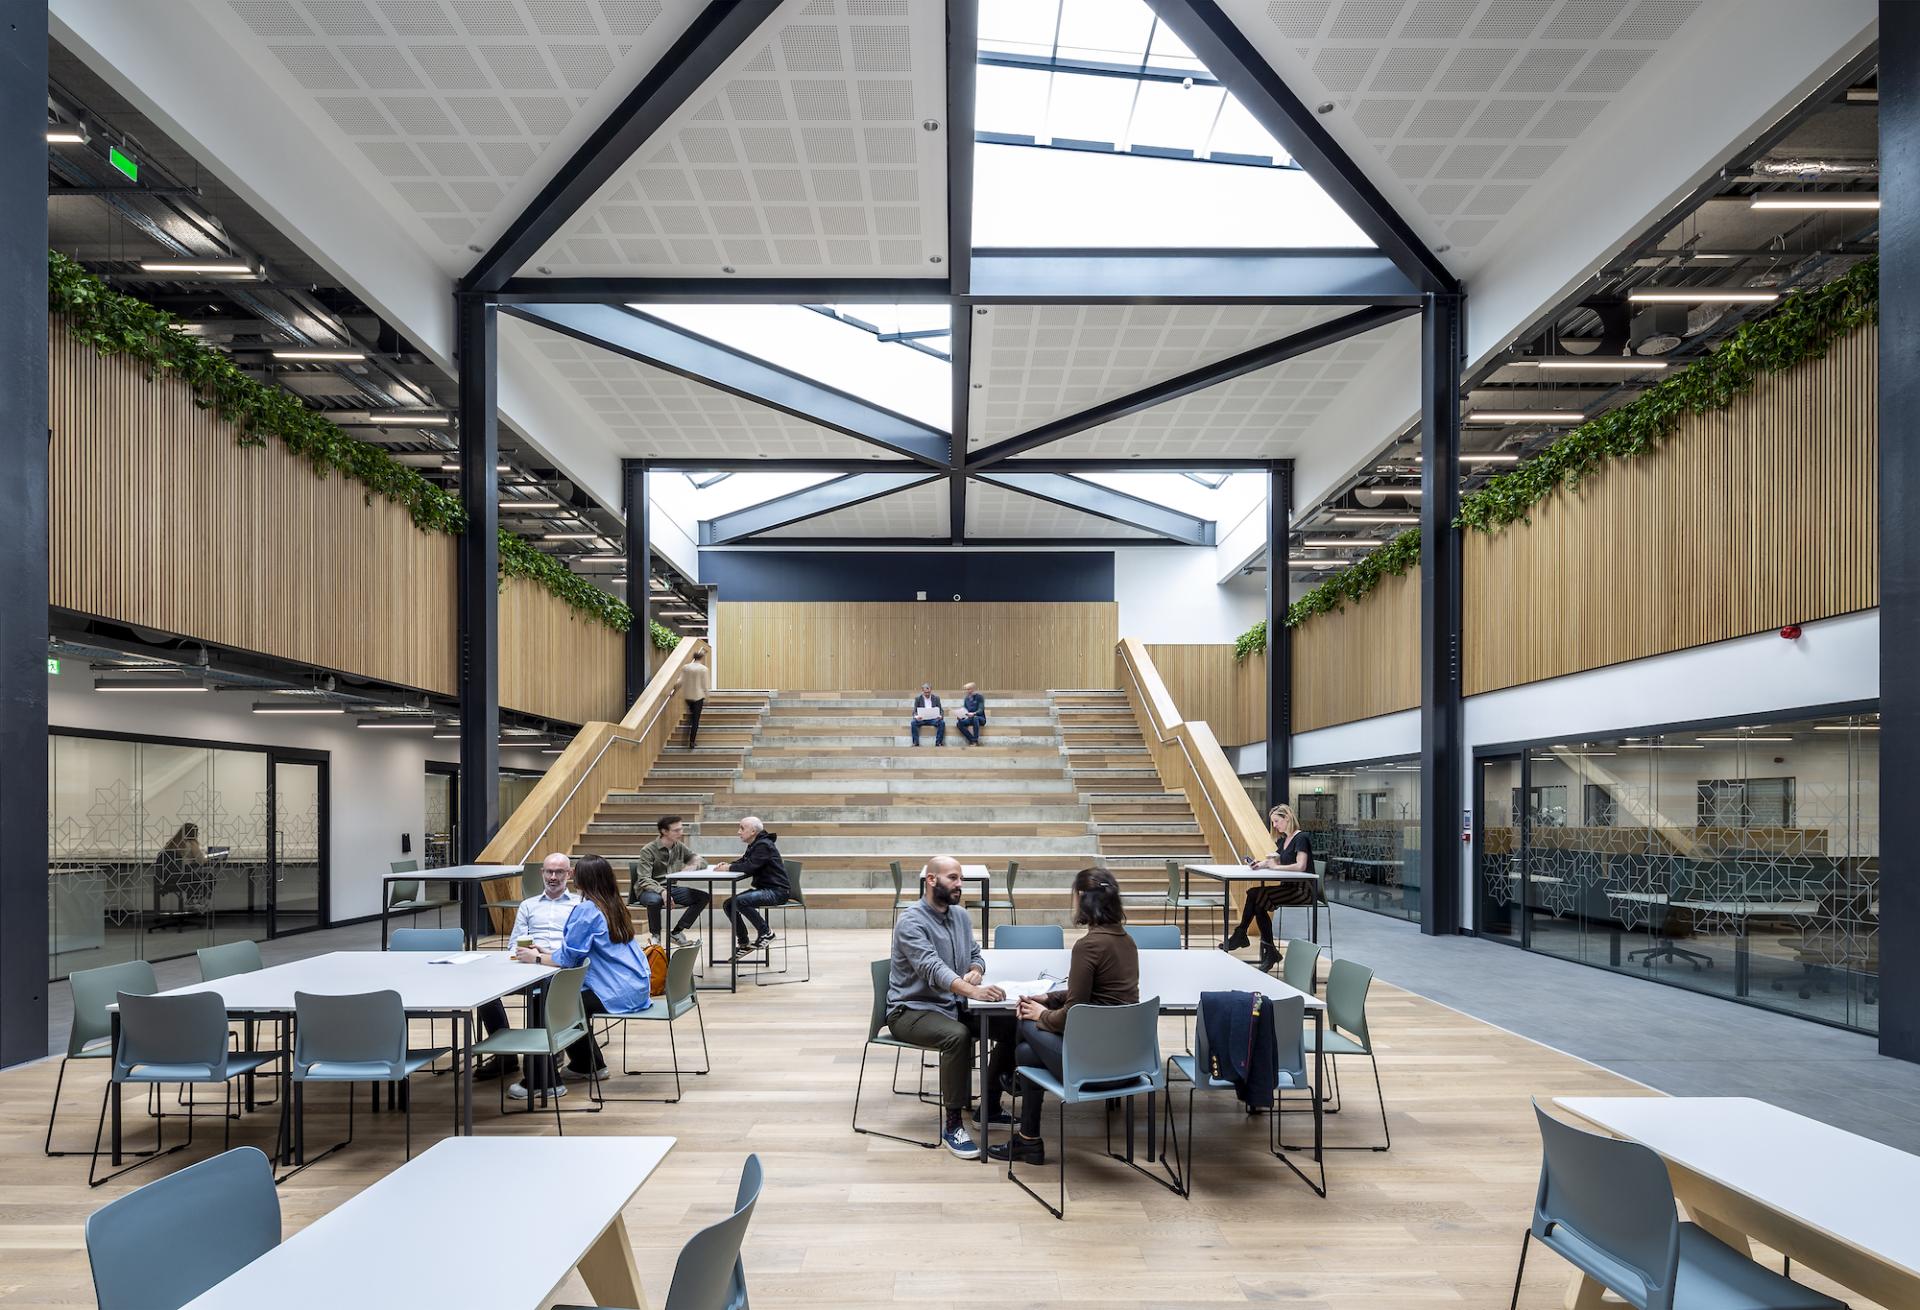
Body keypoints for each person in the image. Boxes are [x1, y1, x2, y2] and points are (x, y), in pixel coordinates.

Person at [988, 868, 1140, 1164]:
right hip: (1126, 1062)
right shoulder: (1125, 941)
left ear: (1083, 899)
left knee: (1023, 1019)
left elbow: (1072, 1015)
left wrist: (1040, 1013)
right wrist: (1047, 998)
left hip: (1092, 1066)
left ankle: (1007, 1080)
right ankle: (1028, 1140)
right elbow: (1086, 994)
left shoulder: (1088, 946)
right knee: (1026, 1052)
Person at [886, 856, 1008, 1159]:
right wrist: (973, 990)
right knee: (957, 1036)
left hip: (951, 1004)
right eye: (953, 878)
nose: (959, 885)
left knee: (1013, 1025)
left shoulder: (960, 916)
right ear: (931, 880)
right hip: (910, 1010)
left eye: (961, 879)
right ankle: (953, 1124)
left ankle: (989, 1105)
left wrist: (976, 969)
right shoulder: (911, 921)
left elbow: (976, 953)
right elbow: (933, 969)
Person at [513, 854, 650, 1090]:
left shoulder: (586, 909)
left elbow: (568, 959)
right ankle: (587, 1065)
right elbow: (578, 952)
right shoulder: (613, 904)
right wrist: (546, 953)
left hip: (613, 991)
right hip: (634, 986)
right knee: (572, 1003)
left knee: (549, 1003)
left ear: (581, 879)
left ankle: (541, 1083)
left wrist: (535, 957)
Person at [472, 852, 579, 1094]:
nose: (553, 877)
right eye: (548, 872)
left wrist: (548, 957)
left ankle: (545, 1054)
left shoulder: (579, 905)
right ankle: (505, 1056)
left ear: (569, 874)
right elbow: (513, 944)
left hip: (560, 969)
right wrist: (524, 951)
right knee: (484, 991)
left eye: (559, 872)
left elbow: (576, 948)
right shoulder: (528, 905)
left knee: (545, 991)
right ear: (541, 873)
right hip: (528, 966)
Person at [1222, 804, 1315, 971]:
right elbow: (1277, 859)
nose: (1275, 826)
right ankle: (1265, 949)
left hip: (1303, 891)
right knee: (1256, 898)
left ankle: (1247, 937)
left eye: (1276, 821)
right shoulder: (1284, 840)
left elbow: (1301, 866)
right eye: (1273, 822)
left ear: (1287, 818)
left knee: (1255, 896)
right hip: (1288, 888)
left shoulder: (1301, 838)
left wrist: (1275, 868)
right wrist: (1260, 864)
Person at [711, 816, 790, 960]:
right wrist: (727, 865)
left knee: (740, 901)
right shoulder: (756, 844)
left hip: (776, 892)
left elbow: (750, 867)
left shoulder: (763, 845)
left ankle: (766, 933)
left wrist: (729, 868)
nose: (738, 832)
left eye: (742, 828)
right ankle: (743, 943)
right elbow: (745, 861)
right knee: (729, 904)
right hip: (766, 889)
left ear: (753, 831)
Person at [629, 814, 712, 948]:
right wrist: (662, 891)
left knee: (703, 897)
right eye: (676, 830)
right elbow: (644, 879)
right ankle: (655, 936)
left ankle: (677, 932)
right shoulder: (648, 850)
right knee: (654, 900)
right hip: (649, 890)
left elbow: (701, 860)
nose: (681, 833)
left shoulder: (678, 846)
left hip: (670, 888)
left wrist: (693, 865)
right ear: (664, 832)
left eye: (681, 829)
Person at [677, 645, 711, 749]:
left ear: (694, 657)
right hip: (698, 697)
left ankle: (686, 738)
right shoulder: (703, 669)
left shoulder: (686, 667)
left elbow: (679, 681)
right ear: (701, 658)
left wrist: (673, 690)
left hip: (688, 697)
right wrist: (707, 696)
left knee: (691, 717)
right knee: (695, 720)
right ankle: (692, 742)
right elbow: (705, 685)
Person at [908, 682, 945, 747]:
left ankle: (938, 742)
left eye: (928, 692)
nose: (927, 694)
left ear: (931, 690)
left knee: (942, 722)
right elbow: (914, 711)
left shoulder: (936, 698)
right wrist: (916, 716)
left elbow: (941, 710)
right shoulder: (918, 699)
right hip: (922, 719)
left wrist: (940, 716)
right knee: (913, 722)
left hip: (933, 719)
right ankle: (915, 742)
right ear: (922, 691)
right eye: (925, 693)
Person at [955, 682, 987, 747]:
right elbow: (965, 710)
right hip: (970, 718)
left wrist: (974, 713)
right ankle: (972, 740)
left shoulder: (979, 697)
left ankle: (975, 740)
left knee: (975, 718)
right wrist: (961, 716)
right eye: (966, 689)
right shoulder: (966, 699)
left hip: (980, 718)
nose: (967, 691)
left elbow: (981, 709)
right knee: (959, 723)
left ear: (973, 689)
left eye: (969, 689)